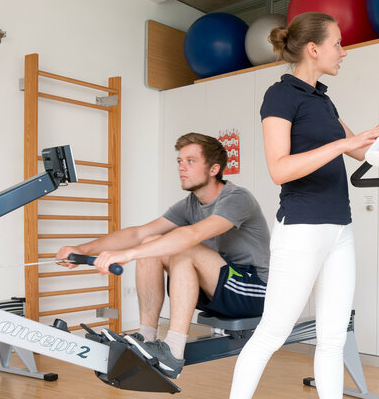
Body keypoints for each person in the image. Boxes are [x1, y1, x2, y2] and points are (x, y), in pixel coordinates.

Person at [228, 12, 379, 399]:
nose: (343, 52)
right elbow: (279, 169)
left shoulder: (323, 100)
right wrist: (340, 145)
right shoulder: (280, 95)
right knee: (272, 334)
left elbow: (364, 149)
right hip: (301, 230)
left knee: (332, 339)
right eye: (337, 43)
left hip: (339, 231)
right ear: (313, 49)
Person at [56, 132, 270, 379]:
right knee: (152, 243)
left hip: (253, 290)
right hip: (220, 287)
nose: (181, 167)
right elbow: (138, 234)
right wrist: (82, 249)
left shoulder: (237, 198)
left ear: (214, 169)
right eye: (179, 161)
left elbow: (192, 235)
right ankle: (147, 338)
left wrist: (128, 255)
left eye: (190, 161)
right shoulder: (189, 204)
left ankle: (173, 352)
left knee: (180, 246)